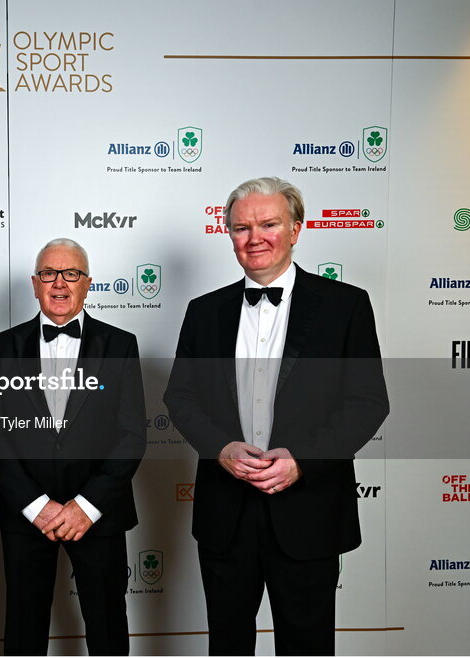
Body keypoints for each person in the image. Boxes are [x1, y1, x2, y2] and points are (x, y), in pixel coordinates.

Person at [164, 177, 389, 655]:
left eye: (268, 224)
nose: (255, 238)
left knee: (307, 647)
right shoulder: (203, 312)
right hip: (226, 513)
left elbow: (369, 402)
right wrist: (220, 448)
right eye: (242, 228)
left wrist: (302, 460)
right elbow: (180, 397)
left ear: (296, 229)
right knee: (227, 646)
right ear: (229, 234)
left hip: (309, 510)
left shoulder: (346, 306)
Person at [0, 238, 146, 655]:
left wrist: (85, 506)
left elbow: (132, 435)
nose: (59, 283)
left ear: (87, 283)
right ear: (34, 284)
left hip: (98, 513)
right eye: (49, 273)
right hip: (26, 514)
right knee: (23, 633)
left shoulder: (121, 344)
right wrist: (36, 505)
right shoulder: (3, 346)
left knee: (108, 630)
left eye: (71, 273)